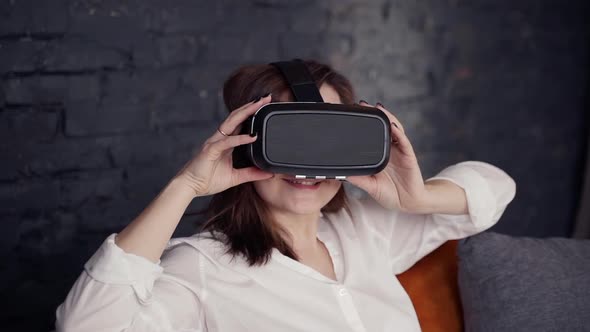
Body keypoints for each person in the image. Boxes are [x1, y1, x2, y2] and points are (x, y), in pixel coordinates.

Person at [55, 60, 516, 331]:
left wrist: (416, 199)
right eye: (290, 138)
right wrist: (186, 186)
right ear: (243, 139)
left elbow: (494, 186)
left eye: (328, 139)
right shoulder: (204, 266)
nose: (305, 166)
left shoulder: (369, 230)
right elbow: (86, 326)